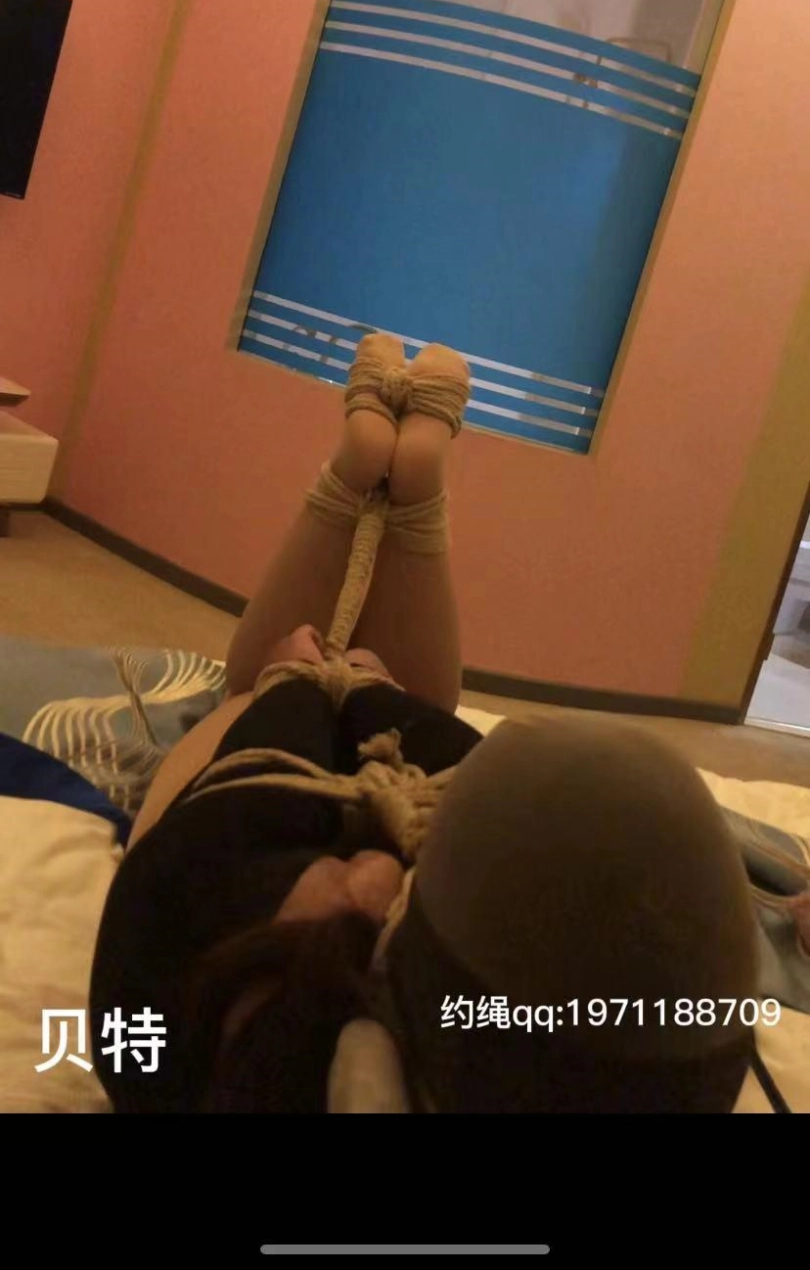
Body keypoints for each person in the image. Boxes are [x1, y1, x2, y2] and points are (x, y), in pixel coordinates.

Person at [89, 335, 758, 1113]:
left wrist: (313, 687)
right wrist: (372, 699)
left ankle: (362, 482)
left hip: (228, 876)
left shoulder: (178, 998)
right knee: (402, 724)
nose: (376, 875)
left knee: (272, 685)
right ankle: (400, 504)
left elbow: (238, 794)